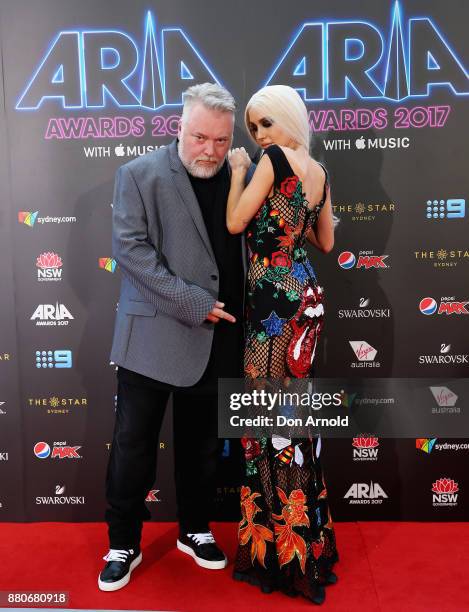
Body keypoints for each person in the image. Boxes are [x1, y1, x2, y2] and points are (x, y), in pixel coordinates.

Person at [99, 83, 248, 591]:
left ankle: (196, 529)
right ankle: (123, 541)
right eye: (201, 137)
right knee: (133, 446)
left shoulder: (241, 174)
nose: (211, 150)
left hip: (219, 339)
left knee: (203, 447)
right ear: (178, 128)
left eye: (222, 141)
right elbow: (131, 252)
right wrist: (194, 302)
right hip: (152, 337)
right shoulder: (138, 174)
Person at [226, 85, 338, 605]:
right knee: (291, 417)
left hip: (274, 297)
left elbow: (235, 222)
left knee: (266, 417)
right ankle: (308, 542)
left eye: (265, 122)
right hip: (306, 292)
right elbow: (326, 242)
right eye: (253, 128)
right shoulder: (319, 171)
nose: (259, 135)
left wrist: (236, 175)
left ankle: (279, 551)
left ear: (288, 118)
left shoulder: (269, 160)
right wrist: (292, 229)